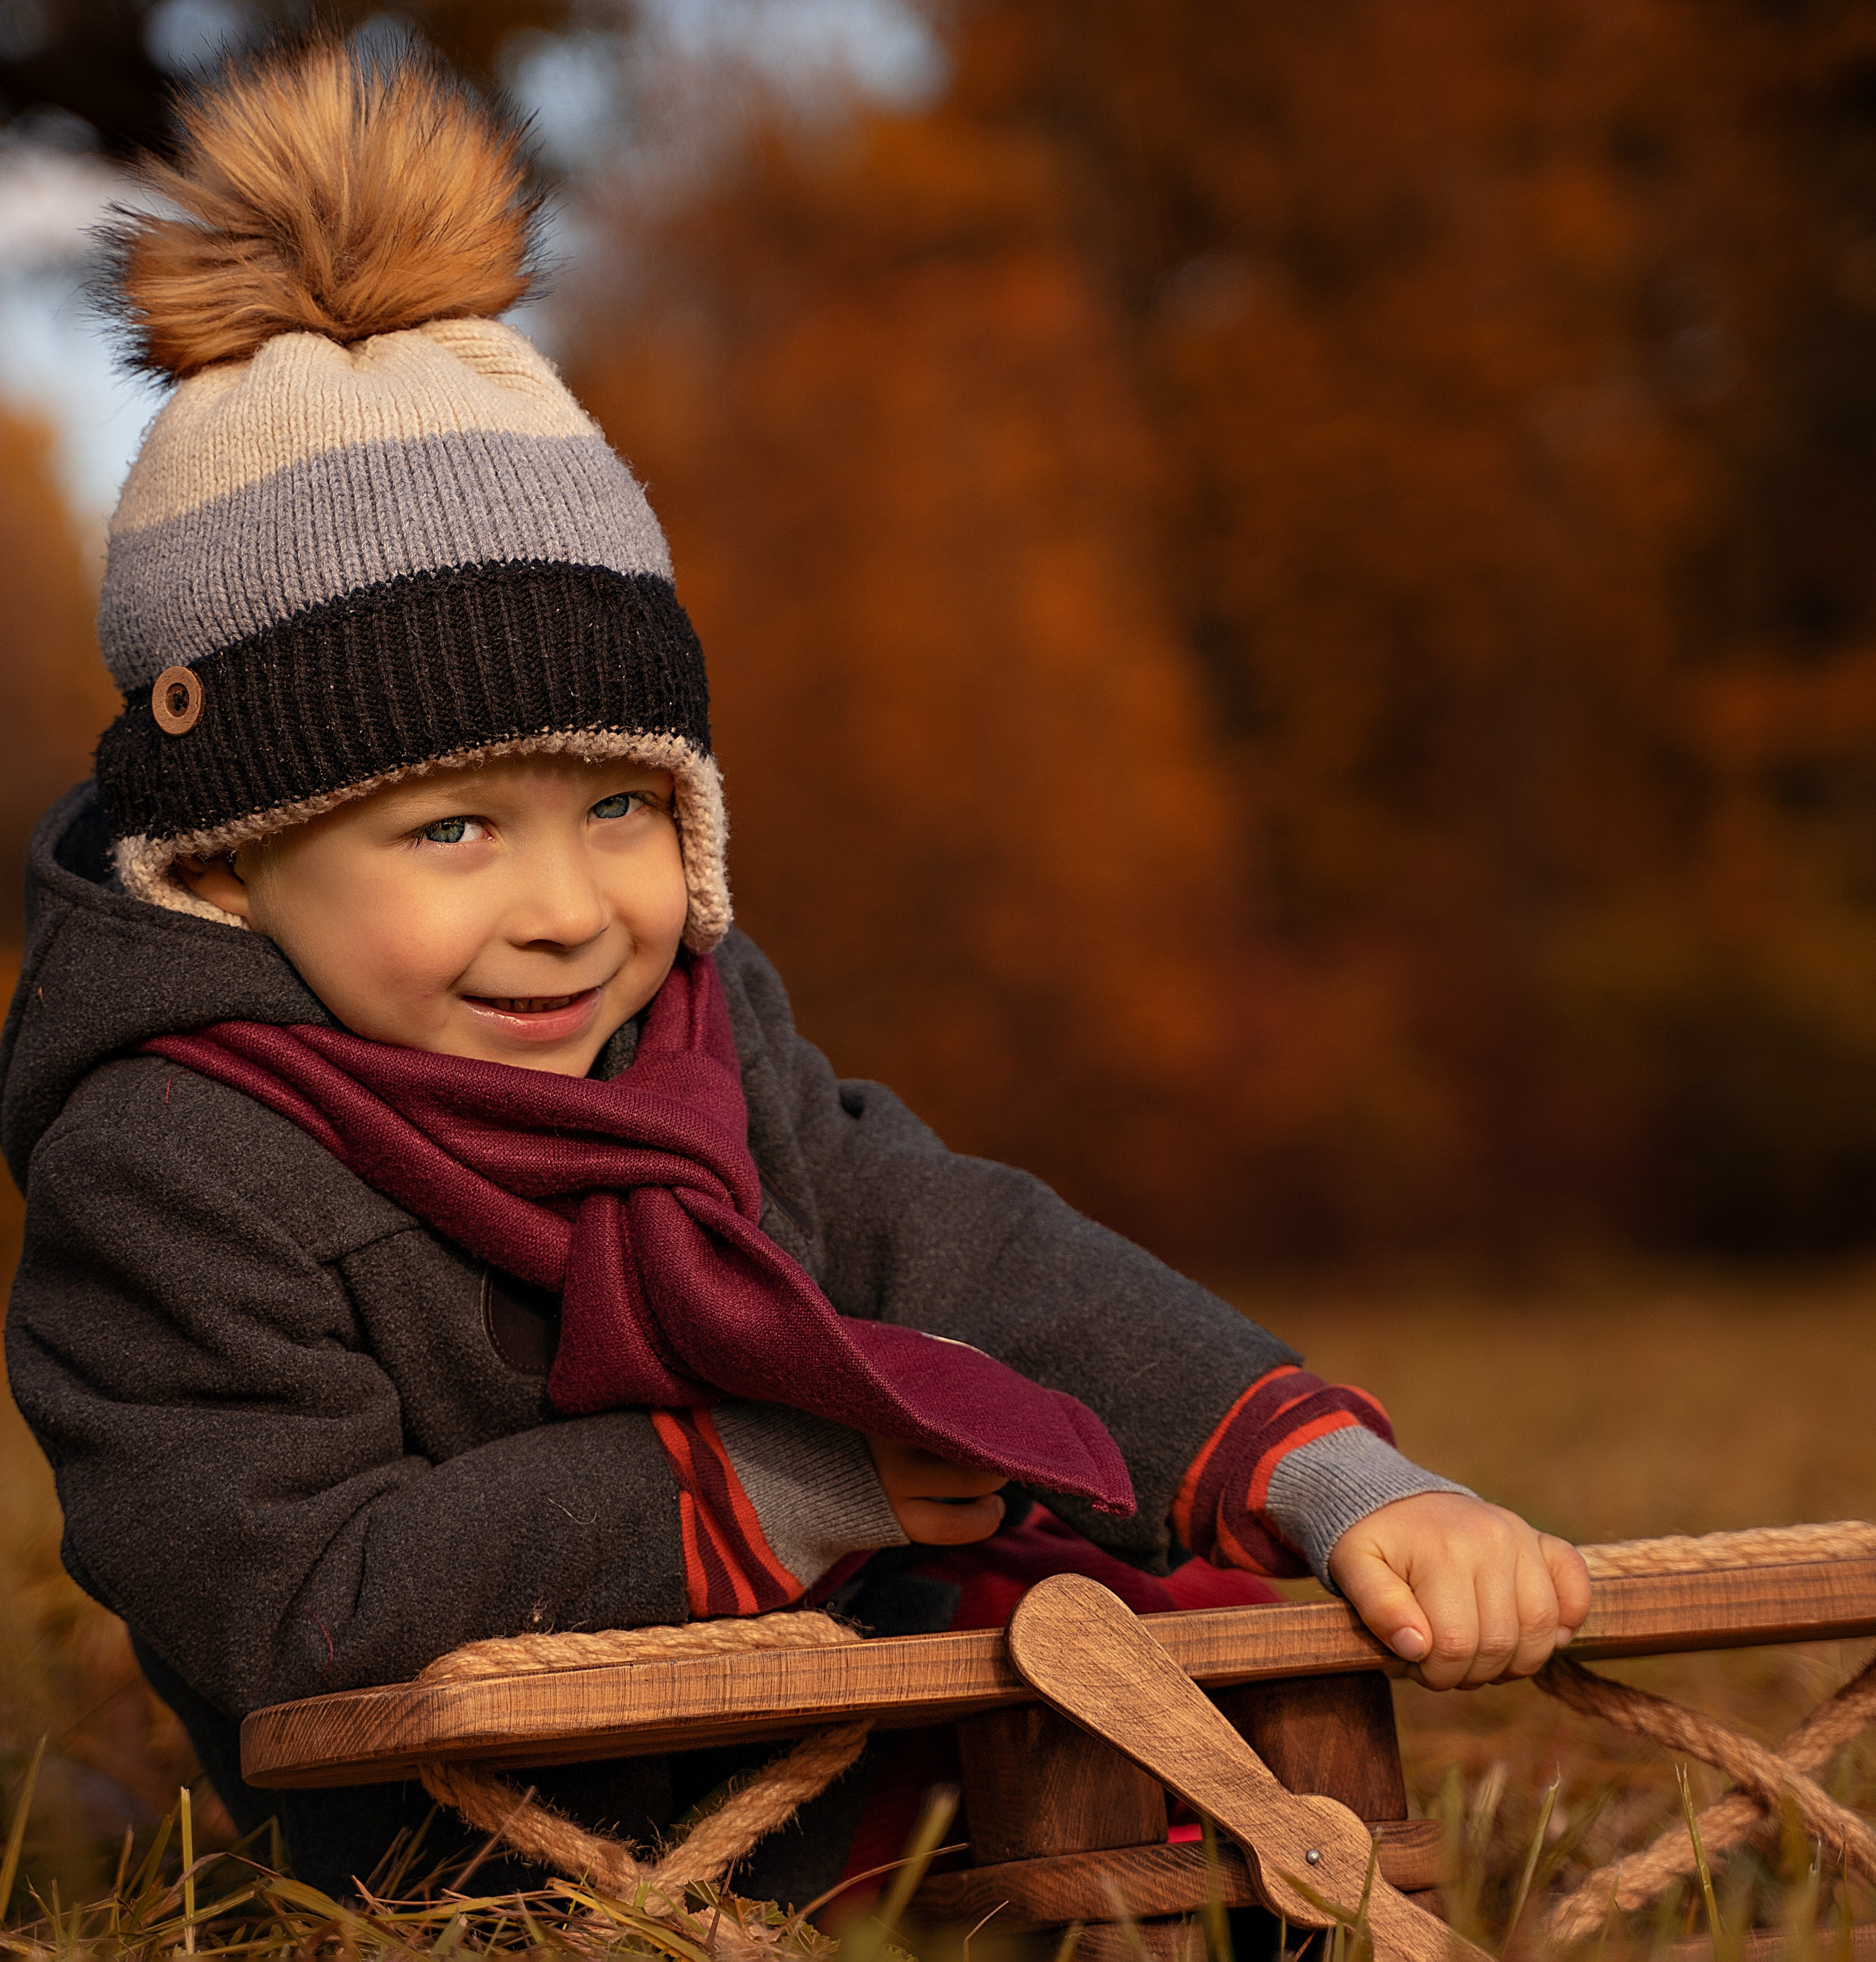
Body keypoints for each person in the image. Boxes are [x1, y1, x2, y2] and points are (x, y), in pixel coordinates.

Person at [0, 42, 1589, 1905]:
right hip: (490, 1842)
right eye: (449, 831)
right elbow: (291, 1600)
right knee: (1026, 1731)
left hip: (826, 1706)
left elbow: (961, 1251)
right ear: (230, 861)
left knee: (1171, 1666)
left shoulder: (691, 1036)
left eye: (618, 805)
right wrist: (758, 1485)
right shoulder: (172, 1162)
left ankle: (1201, 1859)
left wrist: (1338, 1480)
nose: (570, 907)